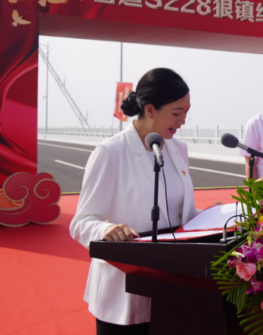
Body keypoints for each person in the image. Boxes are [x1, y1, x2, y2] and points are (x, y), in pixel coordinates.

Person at [70, 68, 197, 335]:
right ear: (150, 110)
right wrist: (107, 229)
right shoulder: (110, 152)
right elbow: (81, 222)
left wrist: (209, 216)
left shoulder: (179, 149)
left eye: (187, 112)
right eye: (177, 113)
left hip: (173, 282)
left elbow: (177, 212)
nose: (183, 121)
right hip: (124, 287)